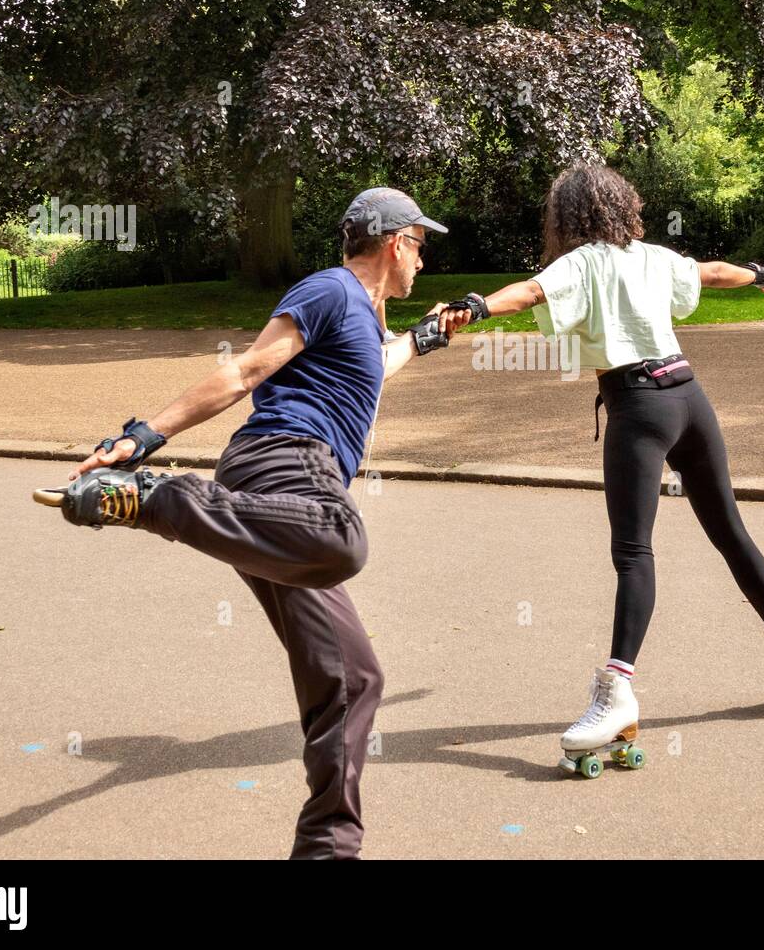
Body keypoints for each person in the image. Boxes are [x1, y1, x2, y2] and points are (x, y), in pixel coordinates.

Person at [37, 187, 470, 857]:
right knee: (341, 536)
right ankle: (161, 499)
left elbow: (380, 362)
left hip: (269, 507)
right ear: (393, 241)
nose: (424, 259)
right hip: (285, 468)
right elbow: (245, 370)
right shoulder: (330, 290)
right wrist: (142, 436)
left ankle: (327, 847)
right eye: (421, 243)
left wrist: (429, 335)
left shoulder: (363, 318)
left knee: (353, 678)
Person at [443, 164, 764, 774]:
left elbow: (530, 291)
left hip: (640, 408)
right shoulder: (653, 255)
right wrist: (762, 273)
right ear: (623, 206)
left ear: (565, 217)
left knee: (632, 553)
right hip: (688, 396)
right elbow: (712, 272)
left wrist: (472, 307)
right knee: (729, 531)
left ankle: (617, 691)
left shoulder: (582, 262)